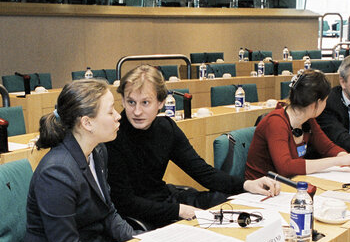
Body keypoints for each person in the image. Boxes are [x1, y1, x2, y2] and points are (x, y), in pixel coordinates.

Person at [106, 65, 280, 230]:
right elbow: (124, 202)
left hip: (165, 199)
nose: (137, 111)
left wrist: (247, 184)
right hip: (139, 212)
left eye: (145, 103)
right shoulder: (114, 135)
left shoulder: (166, 128)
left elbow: (202, 172)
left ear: (161, 103)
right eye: (131, 102)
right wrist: (180, 210)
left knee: (225, 201)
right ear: (122, 100)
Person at [23, 80, 134, 242]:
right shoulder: (56, 173)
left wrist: (137, 241)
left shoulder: (97, 151)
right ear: (87, 123)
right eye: (110, 112)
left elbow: (108, 212)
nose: (119, 116)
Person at [245, 69, 350, 180]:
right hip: (262, 189)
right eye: (325, 101)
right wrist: (338, 160)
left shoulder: (308, 120)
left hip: (290, 183)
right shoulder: (276, 122)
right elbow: (286, 167)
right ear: (316, 103)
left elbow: (327, 148)